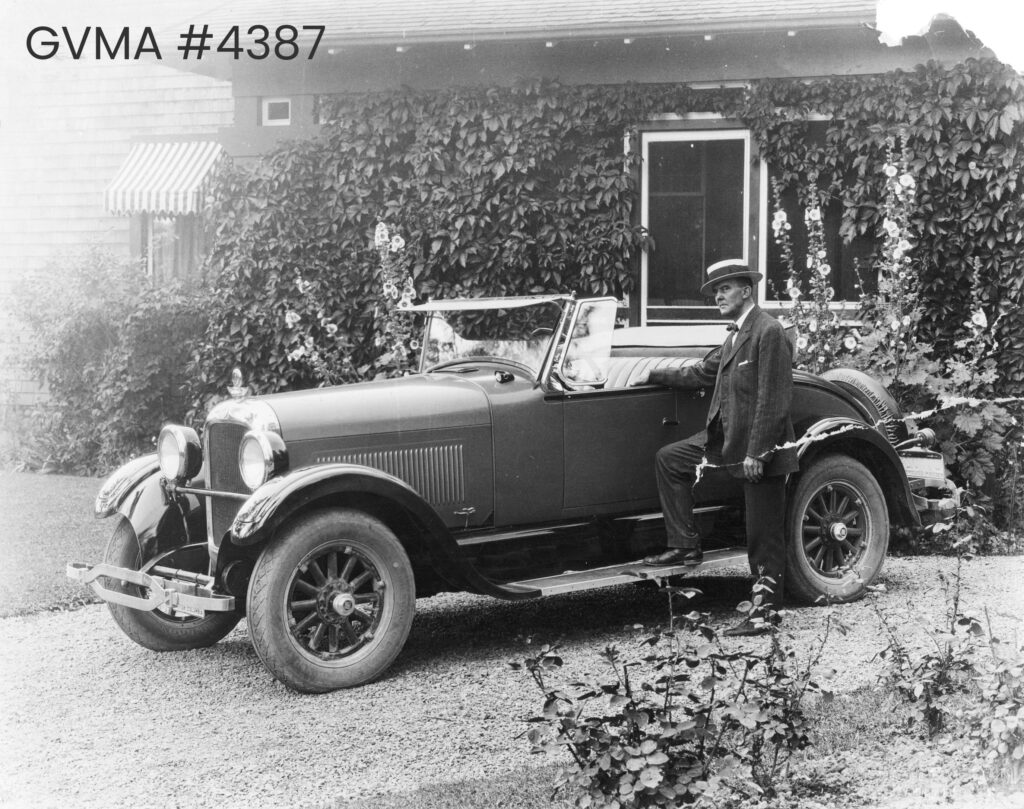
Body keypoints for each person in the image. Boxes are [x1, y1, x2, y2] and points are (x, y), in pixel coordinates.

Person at [631, 259, 798, 637]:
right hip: (723, 444)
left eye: (725, 288)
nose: (718, 296)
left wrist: (759, 452)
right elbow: (701, 373)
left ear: (746, 290)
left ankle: (764, 615)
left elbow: (774, 399)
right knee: (671, 459)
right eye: (715, 291)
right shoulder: (735, 335)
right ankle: (684, 547)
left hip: (760, 450)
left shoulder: (768, 331)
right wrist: (651, 372)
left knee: (763, 535)